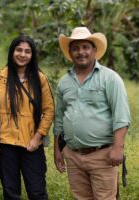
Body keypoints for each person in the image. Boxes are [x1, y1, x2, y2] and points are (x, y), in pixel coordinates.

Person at [53, 26, 131, 200]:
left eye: (85, 47)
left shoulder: (110, 78)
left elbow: (121, 116)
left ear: (94, 50)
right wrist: (57, 150)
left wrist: (118, 149)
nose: (81, 52)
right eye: (75, 48)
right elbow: (59, 118)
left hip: (102, 156)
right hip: (73, 155)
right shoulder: (64, 82)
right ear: (70, 52)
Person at [0, 35, 55, 200]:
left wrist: (37, 137)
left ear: (32, 55)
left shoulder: (39, 78)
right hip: (5, 144)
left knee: (37, 191)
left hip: (31, 144)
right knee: (11, 193)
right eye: (19, 50)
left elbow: (49, 110)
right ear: (12, 51)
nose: (22, 54)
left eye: (27, 51)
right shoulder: (0, 77)